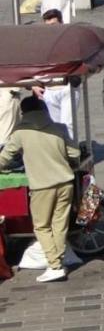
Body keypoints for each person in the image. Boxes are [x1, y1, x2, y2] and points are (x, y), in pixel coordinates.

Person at [0, 95, 78, 282]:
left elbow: (5, 158)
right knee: (59, 225)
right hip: (65, 182)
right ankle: (57, 262)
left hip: (42, 187)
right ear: (44, 110)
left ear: (24, 112)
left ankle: (54, 265)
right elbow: (74, 153)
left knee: (42, 226)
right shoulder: (58, 128)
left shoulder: (20, 132)